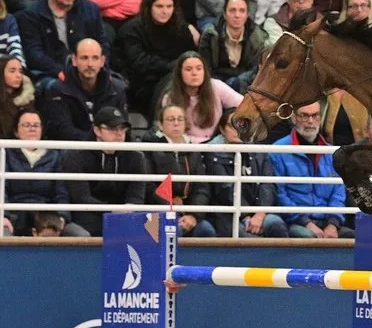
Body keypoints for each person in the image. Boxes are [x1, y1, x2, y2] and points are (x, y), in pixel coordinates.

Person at [0, 106, 87, 236]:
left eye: (36, 125)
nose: (32, 128)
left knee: (80, 235)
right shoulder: (3, 152)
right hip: (13, 215)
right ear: (16, 131)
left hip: (47, 216)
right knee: (3, 235)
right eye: (26, 125)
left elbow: (61, 192)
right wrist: (2, 216)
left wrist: (62, 217)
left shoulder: (55, 154)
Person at [271, 100, 351, 238]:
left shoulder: (331, 152)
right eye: (304, 116)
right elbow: (280, 195)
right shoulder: (278, 150)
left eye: (315, 115)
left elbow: (338, 195)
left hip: (328, 223)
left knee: (356, 238)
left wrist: (333, 224)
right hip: (295, 222)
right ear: (293, 118)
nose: (310, 121)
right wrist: (307, 223)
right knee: (308, 236)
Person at [61, 105, 145, 237]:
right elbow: (81, 197)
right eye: (112, 129)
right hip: (88, 212)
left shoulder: (136, 156)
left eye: (123, 128)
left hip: (123, 213)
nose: (119, 133)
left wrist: (128, 208)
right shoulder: (76, 155)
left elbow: (137, 194)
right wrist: (110, 209)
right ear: (97, 130)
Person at [16, 0, 106, 83]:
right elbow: (34, 54)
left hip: (89, 69)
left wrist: (98, 67)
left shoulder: (90, 10)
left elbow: (103, 44)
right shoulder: (31, 15)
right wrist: (60, 72)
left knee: (118, 87)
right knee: (57, 89)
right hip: (51, 74)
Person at [116, 0, 198, 112]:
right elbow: (139, 62)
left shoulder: (181, 28)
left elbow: (190, 55)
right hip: (142, 83)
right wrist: (170, 66)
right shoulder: (132, 29)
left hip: (177, 78)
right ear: (149, 7)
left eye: (169, 6)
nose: (165, 11)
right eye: (159, 6)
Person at [211, 108, 288, 238]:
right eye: (232, 125)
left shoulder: (259, 151)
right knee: (248, 238)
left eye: (242, 125)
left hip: (259, 213)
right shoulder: (212, 153)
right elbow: (226, 189)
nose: (238, 130)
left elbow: (268, 185)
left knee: (276, 224)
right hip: (228, 215)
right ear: (222, 129)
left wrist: (260, 214)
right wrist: (246, 216)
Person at [144, 103, 216, 238]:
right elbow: (148, 186)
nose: (176, 123)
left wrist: (193, 215)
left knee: (206, 230)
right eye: (171, 120)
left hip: (187, 211)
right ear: (160, 125)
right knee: (174, 230)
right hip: (158, 210)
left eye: (180, 119)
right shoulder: (150, 148)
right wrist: (172, 208)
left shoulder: (193, 150)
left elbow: (202, 187)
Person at [39, 38, 127, 140]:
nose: (90, 64)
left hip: (108, 149)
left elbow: (122, 128)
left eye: (95, 58)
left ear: (102, 61)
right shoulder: (58, 90)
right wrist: (96, 141)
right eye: (84, 58)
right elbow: (62, 131)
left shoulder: (117, 90)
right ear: (74, 60)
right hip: (70, 151)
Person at [159, 52, 241, 143]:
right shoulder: (170, 97)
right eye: (188, 69)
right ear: (180, 73)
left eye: (199, 68)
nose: (194, 73)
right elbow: (170, 130)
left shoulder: (216, 86)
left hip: (216, 144)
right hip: (186, 146)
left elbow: (243, 105)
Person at [200, 0, 266, 93]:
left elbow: (255, 71)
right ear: (224, 14)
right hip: (216, 86)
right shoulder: (210, 35)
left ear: (247, 15)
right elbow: (206, 70)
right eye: (232, 10)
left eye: (242, 11)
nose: (237, 15)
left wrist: (237, 82)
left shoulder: (258, 37)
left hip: (246, 86)